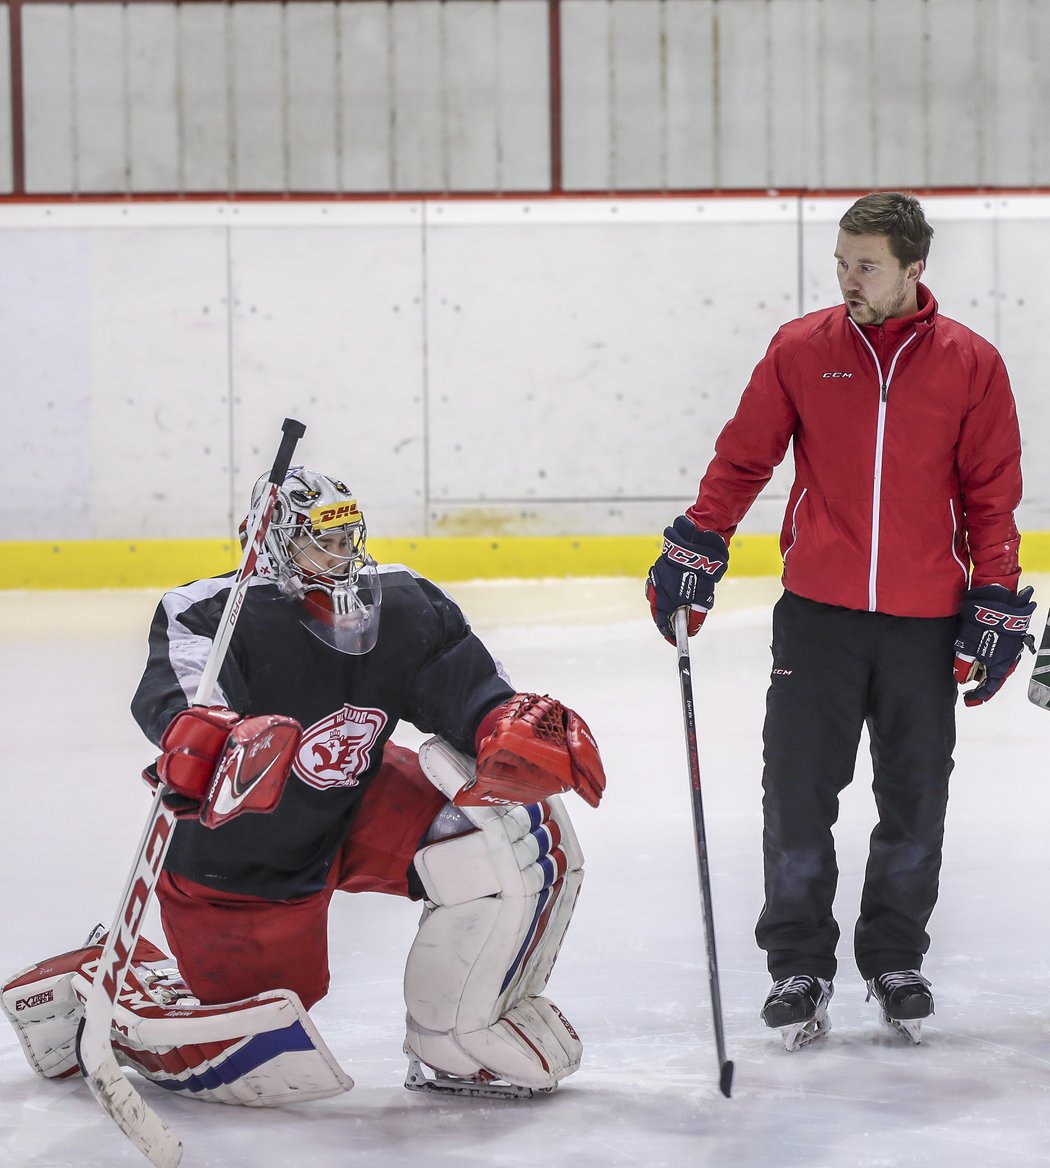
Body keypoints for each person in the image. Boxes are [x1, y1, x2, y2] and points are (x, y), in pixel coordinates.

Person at [3, 467, 605, 1102]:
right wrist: (205, 739)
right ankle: (112, 985)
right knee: (257, 1046)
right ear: (271, 543)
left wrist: (499, 722)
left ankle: (451, 1042)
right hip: (244, 845)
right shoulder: (212, 611)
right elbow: (178, 691)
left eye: (348, 539)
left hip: (357, 800)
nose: (341, 556)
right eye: (321, 541)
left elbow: (458, 678)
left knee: (492, 839)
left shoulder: (402, 602)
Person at [646, 191, 1034, 1050]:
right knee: (796, 793)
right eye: (841, 263)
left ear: (912, 269)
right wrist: (699, 543)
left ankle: (895, 958)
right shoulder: (801, 349)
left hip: (923, 623)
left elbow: (991, 496)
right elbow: (743, 458)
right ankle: (799, 965)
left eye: (866, 265)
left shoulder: (971, 363)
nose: (848, 279)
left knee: (914, 797)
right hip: (817, 616)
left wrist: (997, 594)